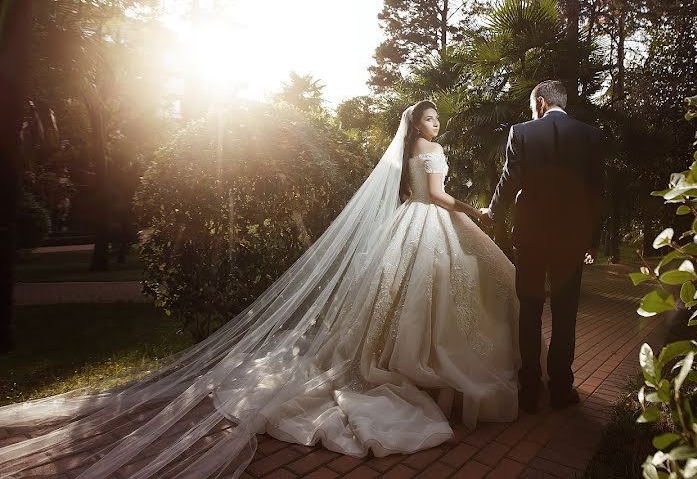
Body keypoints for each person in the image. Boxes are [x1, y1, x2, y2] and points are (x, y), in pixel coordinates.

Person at [0, 101, 519, 478]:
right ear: (417, 125)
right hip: (429, 222)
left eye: (434, 119)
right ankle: (427, 367)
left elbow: (414, 192)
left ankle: (407, 363)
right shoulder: (430, 148)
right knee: (434, 296)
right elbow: (433, 194)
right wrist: (474, 209)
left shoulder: (411, 150)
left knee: (404, 300)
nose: (434, 124)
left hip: (410, 226)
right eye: (428, 118)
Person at [482, 80, 604, 413]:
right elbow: (595, 193)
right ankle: (562, 389)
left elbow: (511, 177)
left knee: (530, 311)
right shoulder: (590, 135)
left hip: (531, 235)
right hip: (571, 239)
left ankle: (530, 390)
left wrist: (494, 212)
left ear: (540, 102)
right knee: (566, 314)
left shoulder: (521, 132)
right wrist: (590, 241)